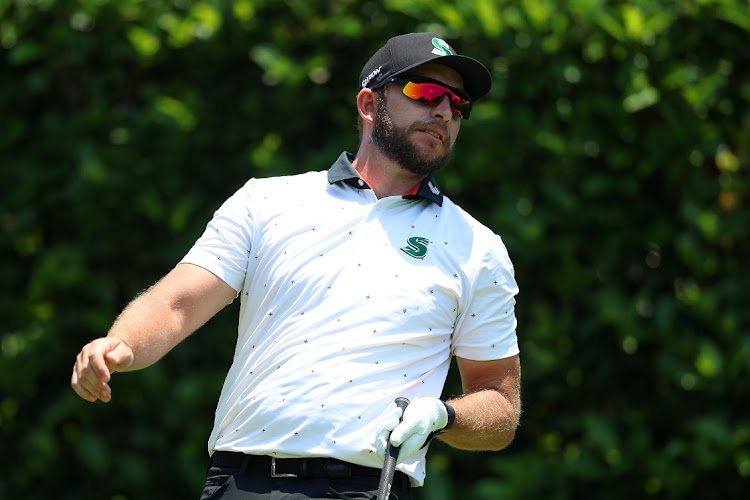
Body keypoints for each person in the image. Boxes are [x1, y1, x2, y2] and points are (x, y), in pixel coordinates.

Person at [71, 32, 521, 500]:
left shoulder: (478, 248)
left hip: (369, 489)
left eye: (457, 104)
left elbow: (501, 408)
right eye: (426, 93)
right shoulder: (266, 201)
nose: (444, 111)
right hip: (240, 482)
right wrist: (120, 344)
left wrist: (443, 416)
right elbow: (175, 305)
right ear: (370, 104)